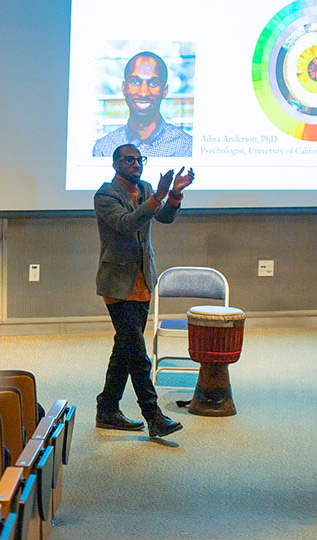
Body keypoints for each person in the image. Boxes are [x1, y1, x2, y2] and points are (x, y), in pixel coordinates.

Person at [94, 143, 193, 438]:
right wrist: (158, 197)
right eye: (128, 160)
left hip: (142, 280)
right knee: (138, 355)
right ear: (115, 164)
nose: (135, 165)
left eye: (139, 160)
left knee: (124, 349)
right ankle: (153, 416)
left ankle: (107, 408)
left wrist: (173, 195)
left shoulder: (147, 187)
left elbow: (164, 218)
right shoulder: (106, 195)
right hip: (117, 283)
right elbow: (126, 224)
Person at [92, 51, 193, 158]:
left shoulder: (185, 148)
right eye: (135, 82)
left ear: (164, 91)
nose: (143, 93)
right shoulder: (104, 147)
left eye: (153, 83)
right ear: (124, 87)